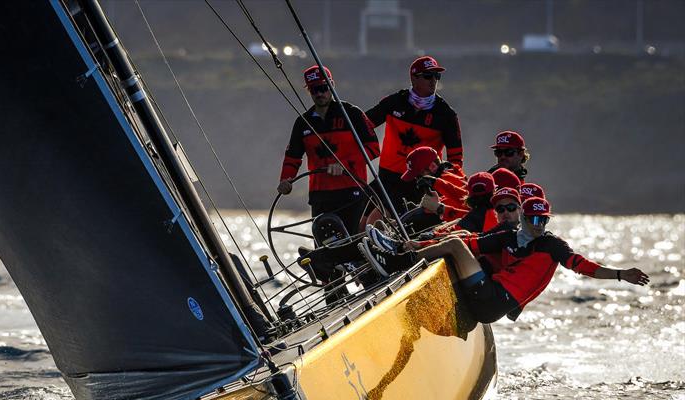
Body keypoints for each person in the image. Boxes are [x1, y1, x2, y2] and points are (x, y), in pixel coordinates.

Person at [359, 197, 649, 323]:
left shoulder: (552, 245)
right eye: (533, 218)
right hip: (483, 293)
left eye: (543, 219)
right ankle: (400, 250)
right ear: (523, 217)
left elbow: (584, 267)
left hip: (495, 302)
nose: (538, 223)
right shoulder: (508, 235)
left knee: (457, 247)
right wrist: (420, 242)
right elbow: (474, 241)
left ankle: (396, 261)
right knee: (458, 244)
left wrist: (622, 275)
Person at [278, 65, 380, 235]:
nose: (319, 93)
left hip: (352, 191)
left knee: (353, 240)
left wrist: (345, 165)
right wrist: (285, 181)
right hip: (320, 195)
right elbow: (292, 158)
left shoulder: (352, 114)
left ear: (331, 85)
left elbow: (374, 149)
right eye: (314, 90)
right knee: (324, 243)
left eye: (323, 88)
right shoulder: (303, 122)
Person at [366, 56, 463, 214]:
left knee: (400, 222)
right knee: (362, 220)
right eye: (427, 76)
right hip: (387, 177)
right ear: (413, 78)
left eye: (436, 76)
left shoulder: (446, 115)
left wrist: (448, 188)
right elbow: (363, 125)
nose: (433, 81)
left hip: (420, 182)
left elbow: (456, 159)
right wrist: (369, 151)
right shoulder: (395, 102)